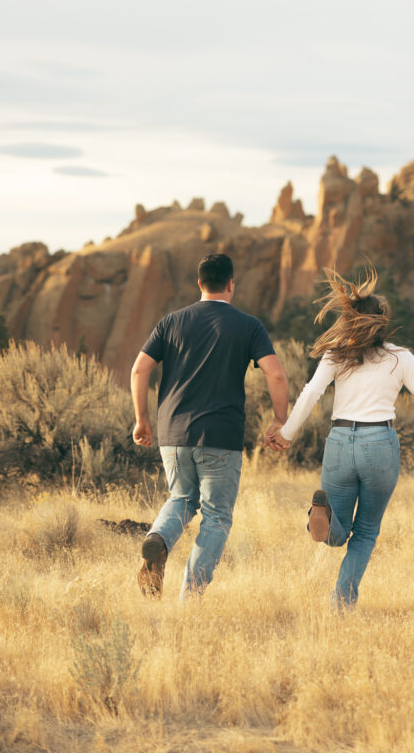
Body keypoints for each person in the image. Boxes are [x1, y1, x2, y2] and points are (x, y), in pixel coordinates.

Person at [268, 266, 414, 610]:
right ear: (381, 323)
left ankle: (321, 517)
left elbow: (310, 394)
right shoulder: (401, 358)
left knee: (338, 532)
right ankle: (341, 603)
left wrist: (287, 433)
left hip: (339, 442)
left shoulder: (337, 352)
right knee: (365, 533)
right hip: (379, 444)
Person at [131, 253, 289, 600]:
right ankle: (191, 598)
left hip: (172, 435)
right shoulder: (248, 325)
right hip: (220, 437)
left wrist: (143, 419)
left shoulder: (170, 322)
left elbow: (139, 369)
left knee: (181, 498)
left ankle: (158, 539)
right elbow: (275, 373)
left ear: (199, 283)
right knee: (216, 517)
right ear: (231, 284)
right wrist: (281, 420)